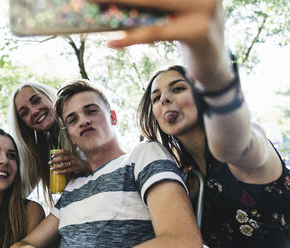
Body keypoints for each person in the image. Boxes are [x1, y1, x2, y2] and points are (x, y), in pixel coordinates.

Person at [99, 0, 290, 247]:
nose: (165, 99)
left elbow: (233, 143)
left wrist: (211, 67)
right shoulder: (185, 178)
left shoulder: (247, 146)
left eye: (178, 88)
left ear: (202, 95)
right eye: (156, 98)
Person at [11, 80, 202, 248]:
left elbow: (182, 241)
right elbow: (27, 243)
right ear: (70, 135)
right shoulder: (72, 188)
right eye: (73, 119)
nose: (84, 121)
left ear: (113, 117)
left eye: (91, 111)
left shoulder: (142, 156)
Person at [0, 82, 90, 206]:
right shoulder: (40, 152)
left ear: (48, 96)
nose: (34, 111)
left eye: (36, 101)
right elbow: (17, 194)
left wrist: (83, 166)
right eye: (25, 113)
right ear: (24, 124)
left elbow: (112, 164)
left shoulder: (83, 125)